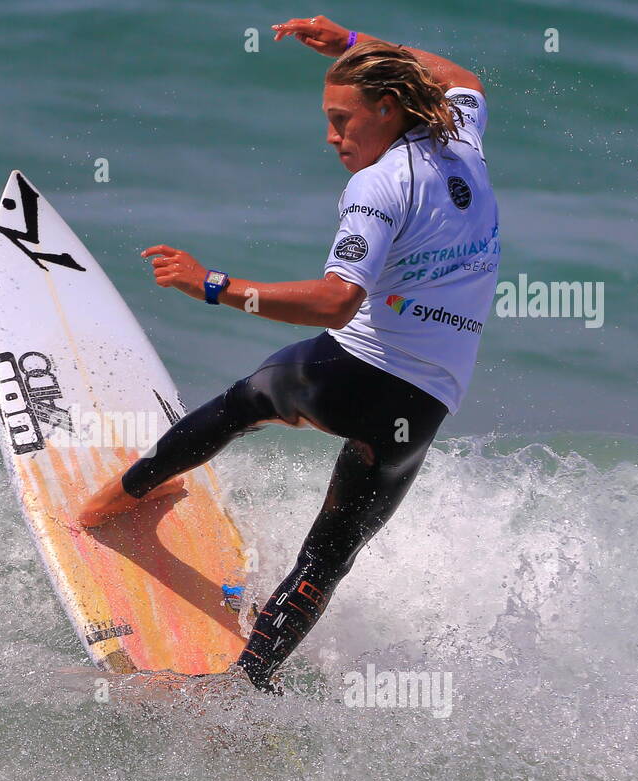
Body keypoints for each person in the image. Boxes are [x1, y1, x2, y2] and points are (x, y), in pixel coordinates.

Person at [79, 15, 501, 691]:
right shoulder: (462, 139)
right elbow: (464, 78)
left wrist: (210, 285)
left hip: (353, 374)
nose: (333, 137)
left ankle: (116, 501)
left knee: (247, 400)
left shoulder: (380, 185)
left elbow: (337, 302)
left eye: (344, 120)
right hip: (427, 404)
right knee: (329, 558)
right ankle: (244, 692)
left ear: (388, 109)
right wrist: (356, 46)